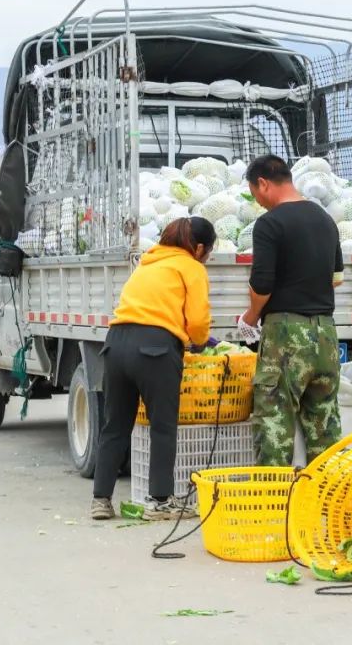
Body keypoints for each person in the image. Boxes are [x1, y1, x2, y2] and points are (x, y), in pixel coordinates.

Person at [89, 217, 216, 521]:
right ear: (198, 248)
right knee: (162, 426)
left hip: (116, 344)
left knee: (115, 425)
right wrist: (198, 342)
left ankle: (101, 500)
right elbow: (198, 322)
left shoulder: (147, 264)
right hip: (156, 348)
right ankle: (159, 501)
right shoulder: (191, 267)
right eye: (209, 250)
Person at [240, 155, 344, 466]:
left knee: (274, 420)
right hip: (325, 333)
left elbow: (262, 284)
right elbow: (336, 278)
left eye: (255, 193)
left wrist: (251, 317)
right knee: (325, 425)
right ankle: (325, 503)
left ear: (263, 183)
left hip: (286, 333)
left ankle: (273, 506)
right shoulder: (325, 219)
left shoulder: (270, 224)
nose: (257, 202)